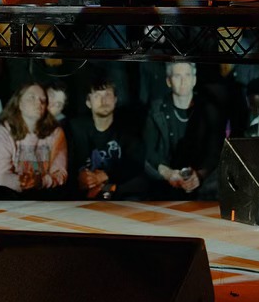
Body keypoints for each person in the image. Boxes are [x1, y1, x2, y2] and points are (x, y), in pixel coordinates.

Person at [143, 61, 222, 198]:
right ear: (168, 81)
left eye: (187, 75)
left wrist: (200, 175)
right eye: (177, 76)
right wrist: (168, 173)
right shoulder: (156, 110)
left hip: (202, 184)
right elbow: (149, 150)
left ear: (194, 80)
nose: (183, 81)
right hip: (165, 181)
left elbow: (215, 150)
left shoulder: (209, 110)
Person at [66, 76, 147, 199]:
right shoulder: (76, 128)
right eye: (97, 96)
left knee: (139, 181)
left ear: (115, 100)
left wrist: (104, 176)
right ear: (88, 102)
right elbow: (68, 163)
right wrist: (81, 176)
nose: (104, 101)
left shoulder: (129, 127)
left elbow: (135, 163)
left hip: (118, 194)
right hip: (85, 192)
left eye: (108, 95)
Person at [0, 82, 69, 197]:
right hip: (7, 193)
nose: (39, 103)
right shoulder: (3, 132)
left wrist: (40, 182)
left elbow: (60, 173)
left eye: (43, 100)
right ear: (19, 103)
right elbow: (2, 176)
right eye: (32, 98)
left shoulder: (56, 133)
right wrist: (23, 183)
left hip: (43, 192)